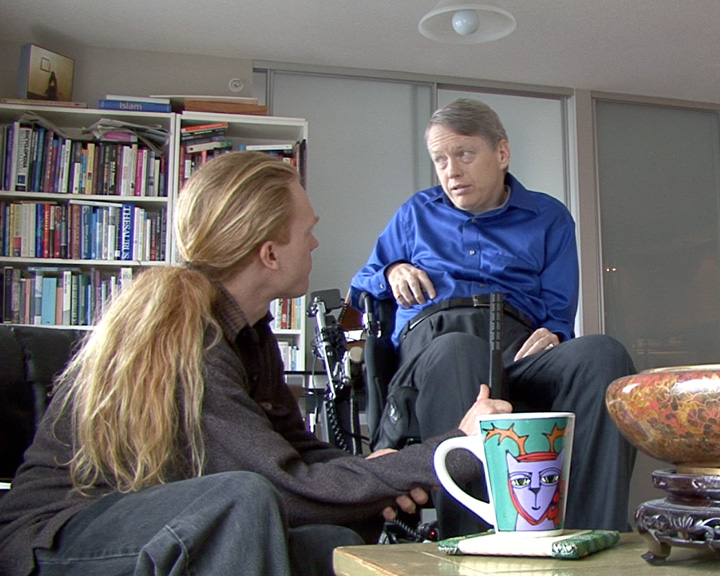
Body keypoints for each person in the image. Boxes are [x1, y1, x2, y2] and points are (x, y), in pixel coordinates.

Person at [0, 151, 511, 576]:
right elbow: (280, 485)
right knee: (241, 501)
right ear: (269, 254)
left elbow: (299, 453)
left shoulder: (250, 333)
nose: (314, 243)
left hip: (154, 521)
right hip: (57, 538)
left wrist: (383, 474)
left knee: (329, 540)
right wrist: (461, 449)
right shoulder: (184, 337)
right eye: (306, 231)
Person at [350, 98, 637, 538]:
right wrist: (391, 270)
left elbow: (559, 313)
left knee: (602, 353)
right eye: (440, 160)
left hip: (515, 348)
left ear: (501, 153)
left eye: (463, 155)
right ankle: (473, 543)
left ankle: (590, 536)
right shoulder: (416, 213)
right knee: (459, 351)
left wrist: (555, 335)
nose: (451, 171)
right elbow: (361, 285)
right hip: (435, 343)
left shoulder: (548, 217)